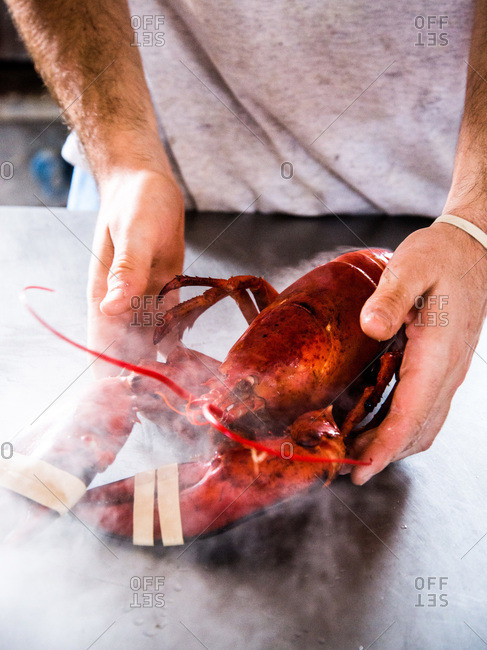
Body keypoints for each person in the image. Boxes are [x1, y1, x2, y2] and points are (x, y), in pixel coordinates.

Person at [7, 1, 486, 485]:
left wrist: (474, 218)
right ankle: (36, 482)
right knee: (126, 377)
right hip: (144, 167)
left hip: (436, 208)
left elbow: (330, 433)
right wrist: (124, 159)